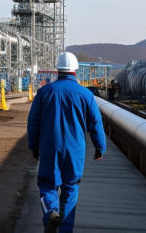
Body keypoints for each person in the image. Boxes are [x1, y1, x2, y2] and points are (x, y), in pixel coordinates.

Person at [27, 51, 107, 233]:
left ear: (58, 70)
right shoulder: (86, 95)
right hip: (75, 150)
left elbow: (33, 121)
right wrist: (100, 147)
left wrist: (33, 146)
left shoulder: (44, 92)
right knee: (71, 188)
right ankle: (65, 230)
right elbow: (96, 123)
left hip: (50, 148)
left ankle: (50, 213)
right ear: (75, 71)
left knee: (48, 185)